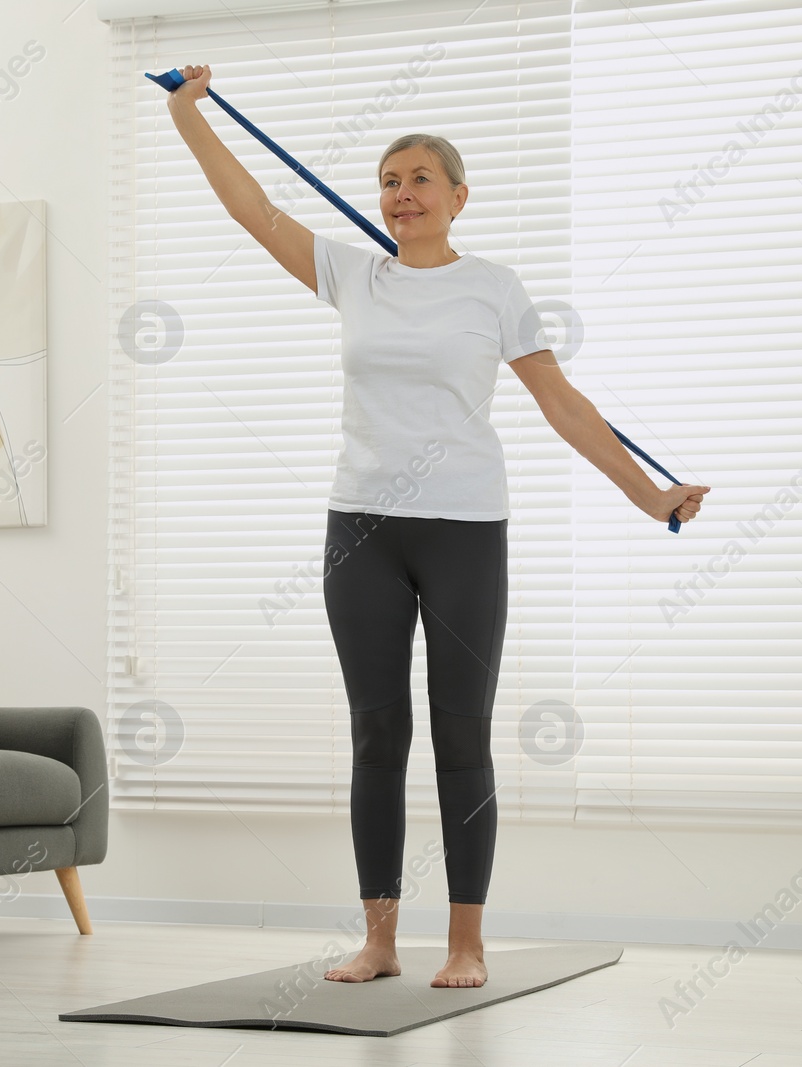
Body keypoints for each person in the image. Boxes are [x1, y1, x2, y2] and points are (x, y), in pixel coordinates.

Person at [165, 64, 709, 989]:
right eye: (388, 178)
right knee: (377, 735)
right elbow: (253, 211)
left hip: (463, 526)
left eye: (420, 178)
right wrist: (189, 116)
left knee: (463, 734)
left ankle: (467, 943)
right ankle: (378, 937)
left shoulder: (495, 289)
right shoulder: (351, 272)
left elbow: (563, 404)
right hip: (362, 526)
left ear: (458, 197)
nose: (400, 192)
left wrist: (646, 495)